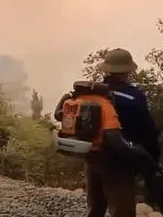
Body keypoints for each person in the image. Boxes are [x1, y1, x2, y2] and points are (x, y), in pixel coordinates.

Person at [54, 81, 159, 217]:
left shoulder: (79, 99)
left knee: (95, 204)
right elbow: (114, 139)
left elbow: (58, 115)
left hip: (91, 157)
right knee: (122, 208)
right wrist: (141, 155)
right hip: (112, 161)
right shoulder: (105, 105)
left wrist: (65, 98)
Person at [99, 48, 161, 162]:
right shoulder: (134, 97)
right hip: (121, 160)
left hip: (93, 159)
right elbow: (147, 132)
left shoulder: (96, 93)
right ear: (128, 71)